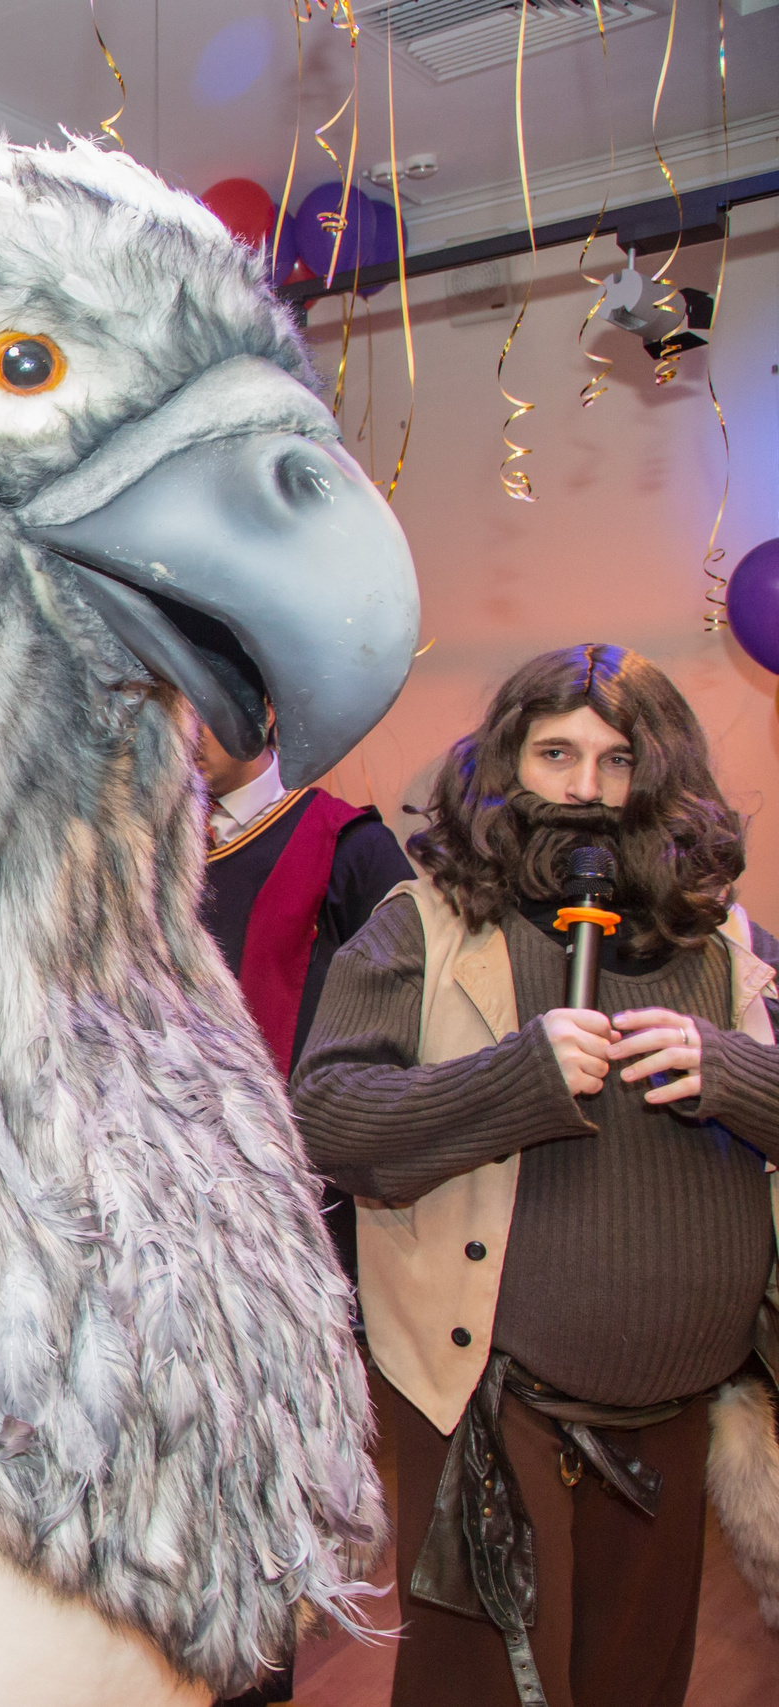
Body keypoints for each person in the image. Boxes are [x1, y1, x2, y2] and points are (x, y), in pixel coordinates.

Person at [292, 644, 779, 1707]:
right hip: (484, 1404)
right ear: (505, 763)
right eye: (555, 752)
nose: (584, 787)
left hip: (676, 1412)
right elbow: (328, 1121)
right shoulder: (419, 926)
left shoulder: (726, 943)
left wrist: (734, 1073)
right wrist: (514, 1078)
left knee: (633, 1685)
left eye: (616, 759)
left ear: (662, 775)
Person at [195, 703, 411, 1707]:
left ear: (267, 709)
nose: (179, 720)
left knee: (257, 1507)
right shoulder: (126, 839)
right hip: (152, 1226)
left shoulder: (348, 847)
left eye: (204, 697)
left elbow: (419, 1024)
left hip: (294, 1233)